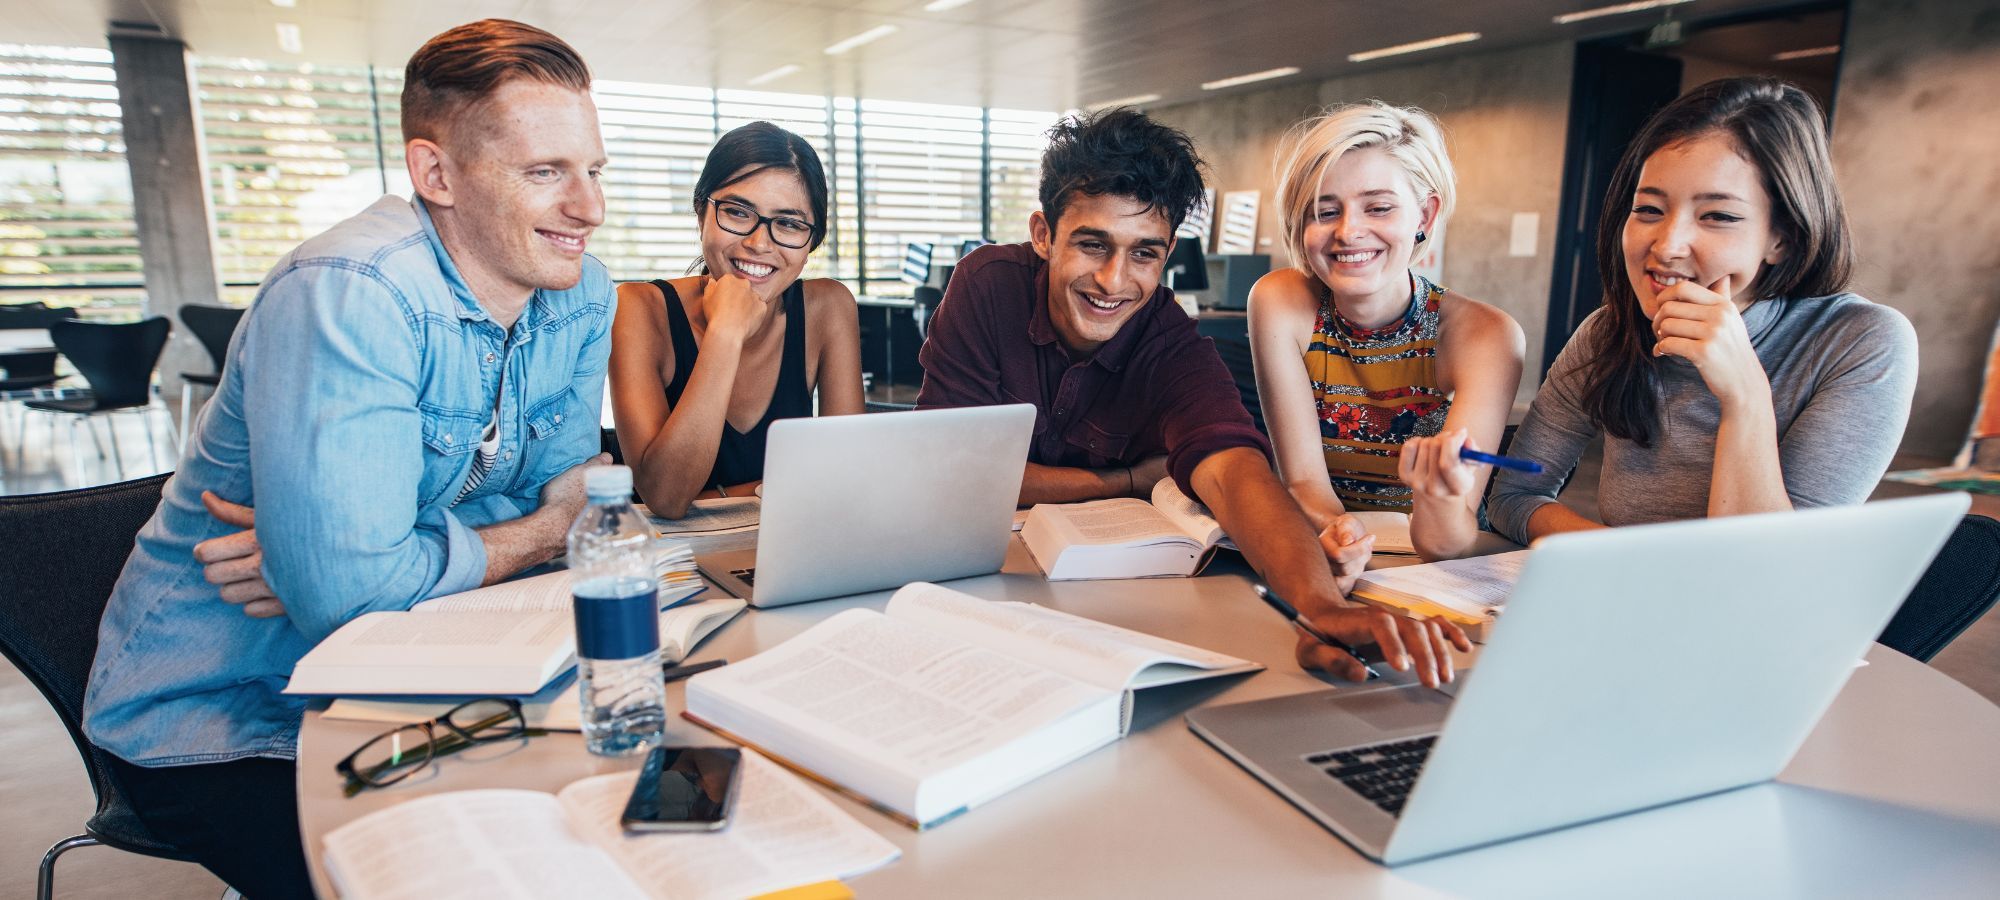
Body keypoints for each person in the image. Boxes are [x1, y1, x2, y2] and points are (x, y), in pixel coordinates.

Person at [82, 20, 613, 896]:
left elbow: (579, 495)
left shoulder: (579, 289)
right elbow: (353, 595)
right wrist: (530, 530)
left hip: (427, 674)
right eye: (545, 171)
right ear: (435, 174)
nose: (589, 208)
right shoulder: (352, 291)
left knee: (601, 827)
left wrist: (357, 551)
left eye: (595, 170)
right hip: (228, 716)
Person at [917, 108, 1468, 685]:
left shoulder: (1168, 339)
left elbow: (1234, 470)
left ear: (1167, 253)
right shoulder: (986, 285)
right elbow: (953, 470)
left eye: (1144, 253)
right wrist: (1125, 480)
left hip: (1098, 606)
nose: (1113, 280)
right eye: (1091, 244)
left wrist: (1321, 607)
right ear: (1042, 235)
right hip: (969, 588)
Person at [1485, 76, 1917, 543]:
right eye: (1649, 209)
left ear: (1782, 236)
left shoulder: (1861, 341)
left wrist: (1744, 394)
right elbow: (1513, 497)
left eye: (1717, 216)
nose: (1667, 245)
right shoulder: (1607, 332)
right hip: (1627, 603)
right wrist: (1618, 563)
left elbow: (1770, 566)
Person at [1250, 102, 1524, 561]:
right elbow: (1304, 485)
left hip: (1434, 570)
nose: (1349, 231)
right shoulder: (1279, 302)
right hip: (1329, 550)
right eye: (1324, 211)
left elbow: (1447, 543)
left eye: (1378, 207)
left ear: (1425, 217)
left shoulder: (1486, 335)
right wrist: (1343, 539)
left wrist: (1438, 497)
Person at [608, 122, 862, 518]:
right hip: (675, 564)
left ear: (812, 241)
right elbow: (666, 497)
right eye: (738, 212)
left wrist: (715, 498)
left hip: (793, 547)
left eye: (790, 223)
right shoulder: (638, 308)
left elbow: (847, 479)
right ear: (701, 214)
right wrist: (725, 332)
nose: (759, 243)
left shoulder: (827, 308)